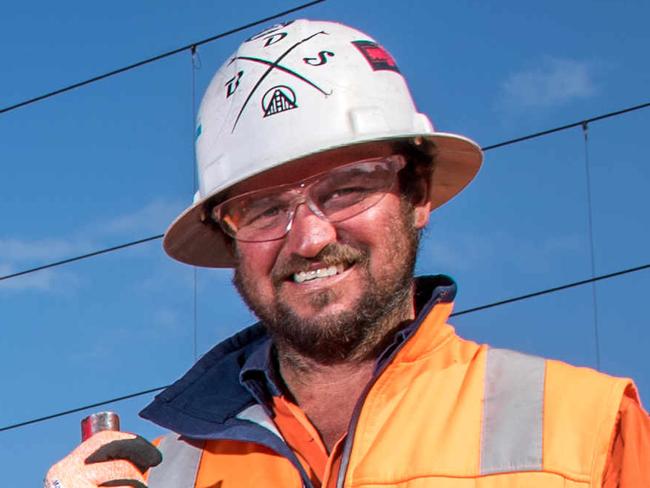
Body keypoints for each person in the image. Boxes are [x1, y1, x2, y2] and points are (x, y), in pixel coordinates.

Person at [46, 19, 650, 488]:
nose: (309, 238)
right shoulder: (167, 473)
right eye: (263, 209)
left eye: (347, 190)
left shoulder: (586, 430)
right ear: (229, 240)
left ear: (417, 197)